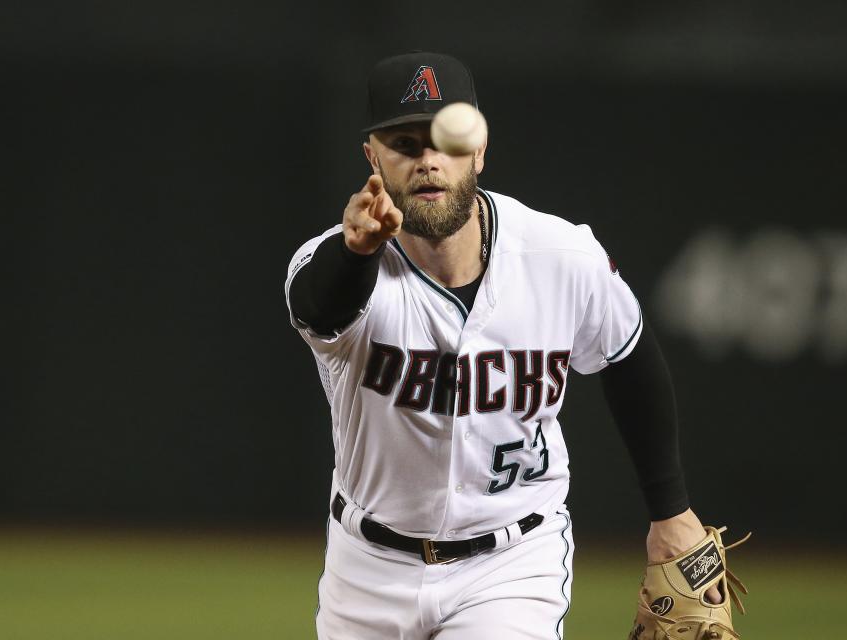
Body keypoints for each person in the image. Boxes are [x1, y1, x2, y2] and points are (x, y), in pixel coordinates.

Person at [285, 51, 722, 640]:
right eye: (405, 143)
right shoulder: (336, 265)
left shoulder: (560, 257)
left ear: (480, 148)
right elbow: (322, 306)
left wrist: (672, 512)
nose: (429, 160)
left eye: (448, 139)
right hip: (367, 569)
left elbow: (629, 359)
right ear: (372, 157)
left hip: (511, 564)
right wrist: (357, 252)